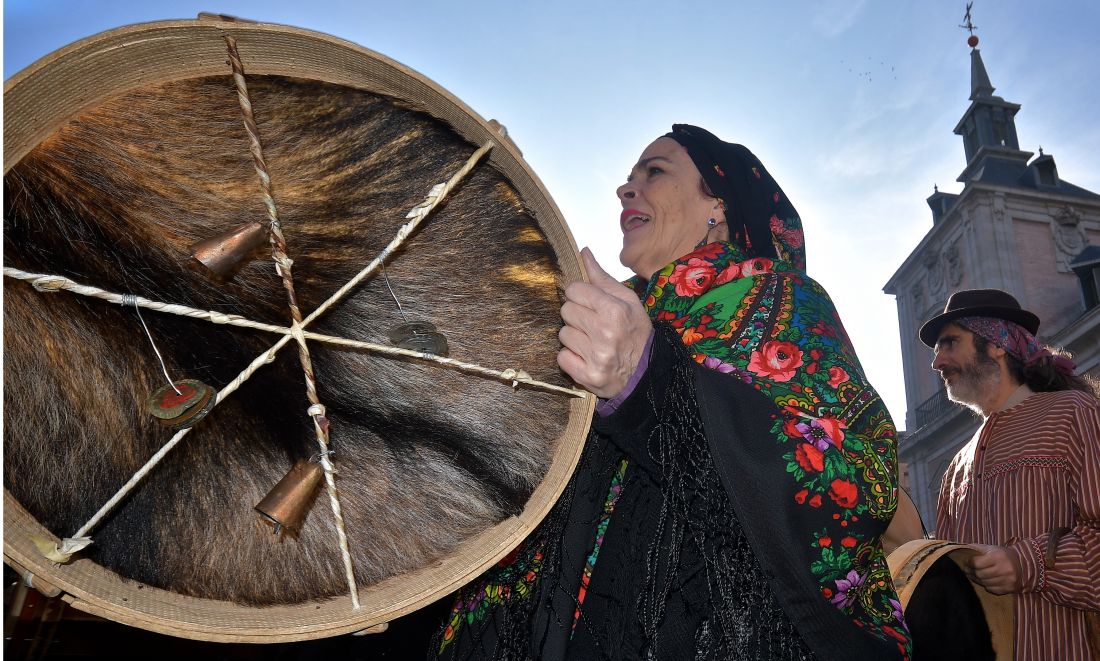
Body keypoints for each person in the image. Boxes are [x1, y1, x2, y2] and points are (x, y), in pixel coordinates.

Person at [434, 125, 912, 660]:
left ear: (719, 205)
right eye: (628, 176)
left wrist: (649, 378)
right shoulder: (599, 317)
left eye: (654, 171)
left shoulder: (778, 294)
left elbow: (857, 478)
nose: (626, 188)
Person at [921, 288, 1100, 660]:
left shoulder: (1075, 413)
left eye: (950, 343)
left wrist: (1026, 564)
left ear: (997, 344)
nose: (937, 362)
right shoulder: (956, 466)